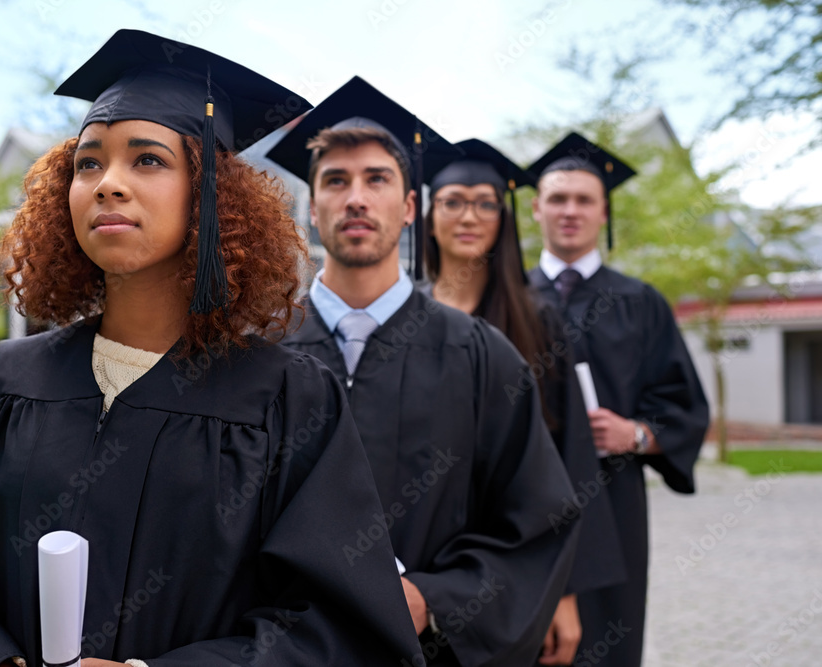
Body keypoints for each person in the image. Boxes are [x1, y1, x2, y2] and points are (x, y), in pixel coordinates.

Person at [0, 30, 424, 667]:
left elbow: (343, 631)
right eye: (88, 163)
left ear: (212, 197)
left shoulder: (288, 401)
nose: (107, 184)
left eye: (147, 160)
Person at [267, 76, 580, 667]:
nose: (356, 198)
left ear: (410, 207)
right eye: (336, 181)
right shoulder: (258, 354)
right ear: (313, 208)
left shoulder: (481, 355)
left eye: (377, 179)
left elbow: (534, 523)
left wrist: (433, 598)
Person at [423, 139, 627, 666]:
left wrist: (566, 589)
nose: (469, 216)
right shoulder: (403, 318)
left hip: (515, 560)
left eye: (486, 202)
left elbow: (572, 459)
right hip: (415, 556)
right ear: (427, 214)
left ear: (505, 217)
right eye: (452, 201)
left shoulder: (539, 320)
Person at [526, 132, 710, 667]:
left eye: (584, 200)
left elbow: (685, 405)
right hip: (521, 502)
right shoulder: (507, 295)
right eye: (557, 198)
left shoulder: (641, 302)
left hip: (612, 498)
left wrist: (636, 434)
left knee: (608, 639)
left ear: (604, 211)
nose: (570, 211)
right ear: (536, 208)